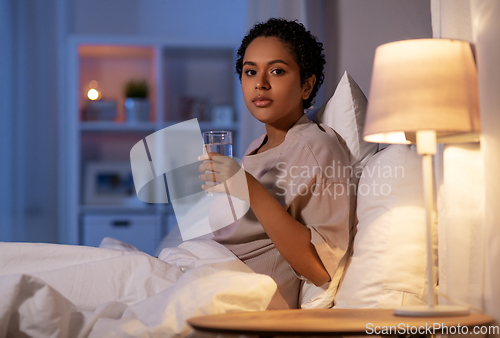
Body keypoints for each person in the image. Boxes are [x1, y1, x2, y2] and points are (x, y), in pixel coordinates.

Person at [198, 18, 351, 309]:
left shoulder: (316, 146)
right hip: (208, 269)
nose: (260, 83)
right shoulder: (258, 146)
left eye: (277, 71)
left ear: (307, 86)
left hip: (244, 293)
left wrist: (247, 185)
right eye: (250, 71)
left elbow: (320, 268)